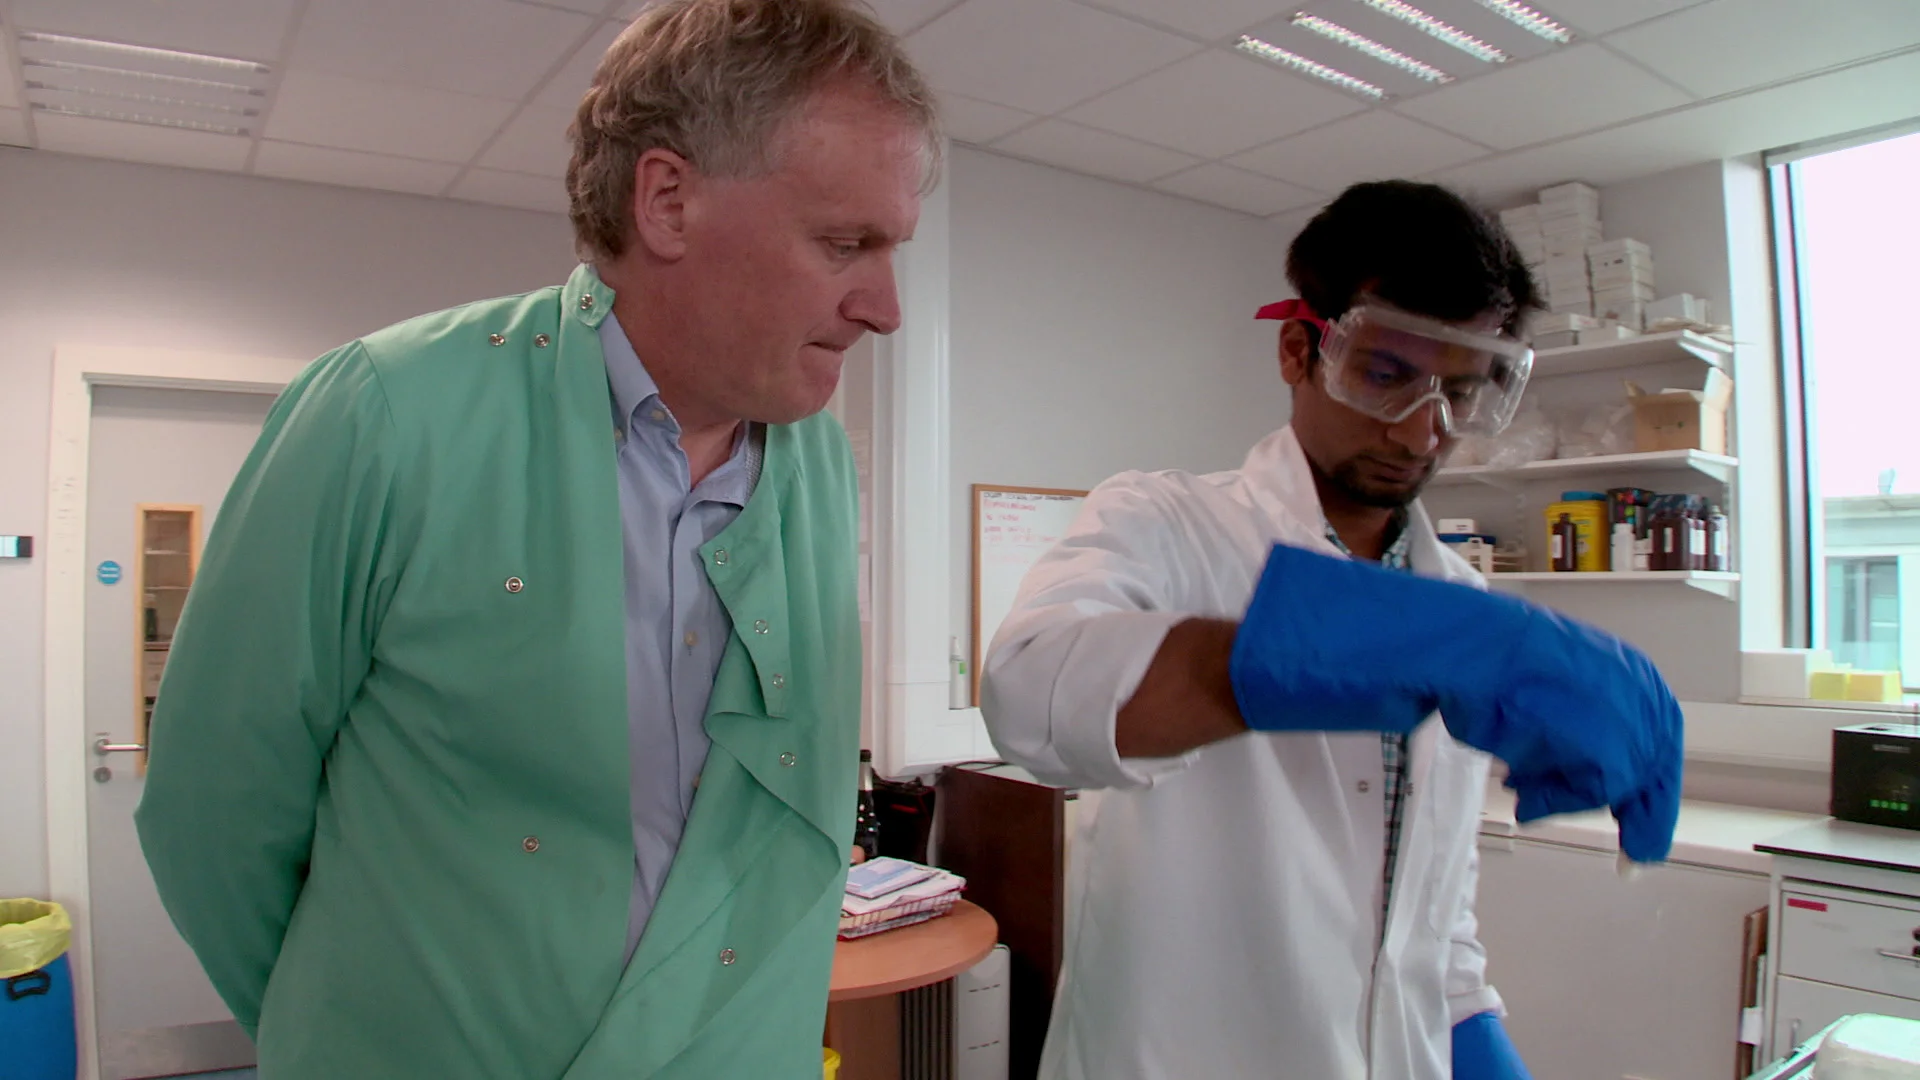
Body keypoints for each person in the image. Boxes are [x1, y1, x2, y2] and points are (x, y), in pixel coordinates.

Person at [134, 2, 936, 1076]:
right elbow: (212, 817)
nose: (885, 307)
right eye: (845, 244)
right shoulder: (387, 414)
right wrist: (367, 1031)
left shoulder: (819, 462)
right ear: (668, 201)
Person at [981, 180, 1682, 1080]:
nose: (1422, 434)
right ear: (1297, 350)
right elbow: (1029, 692)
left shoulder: (1460, 600)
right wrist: (1356, 648)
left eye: (1461, 394)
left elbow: (1430, 915)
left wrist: (1475, 1041)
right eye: (1385, 376)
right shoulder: (1166, 522)